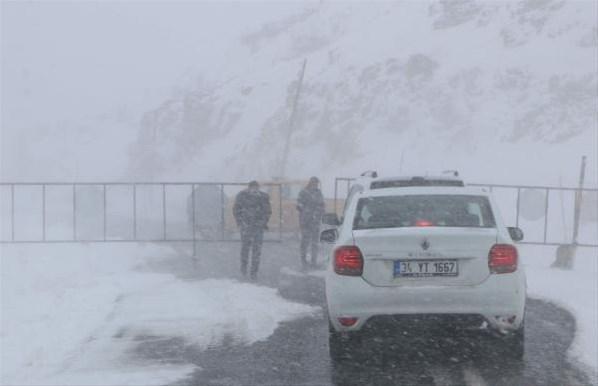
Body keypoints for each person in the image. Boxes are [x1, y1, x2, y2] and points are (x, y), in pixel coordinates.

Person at [233, 180, 272, 280]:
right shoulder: (242, 195)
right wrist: (240, 222)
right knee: (245, 249)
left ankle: (254, 272)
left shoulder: (263, 197)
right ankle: (244, 269)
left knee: (256, 251)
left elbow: (267, 211)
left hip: (257, 227)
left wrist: (263, 222)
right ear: (249, 187)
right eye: (253, 187)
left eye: (256, 187)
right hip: (246, 226)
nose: (254, 189)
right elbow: (236, 210)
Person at [297, 177, 325, 270]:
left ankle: (313, 261)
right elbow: (299, 206)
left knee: (315, 243)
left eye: (316, 183)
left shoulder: (318, 193)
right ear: (310, 183)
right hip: (306, 222)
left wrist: (319, 212)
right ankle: (303, 261)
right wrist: (306, 212)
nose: (315, 185)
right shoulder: (303, 192)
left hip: (315, 222)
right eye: (314, 183)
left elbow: (322, 205)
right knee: (305, 242)